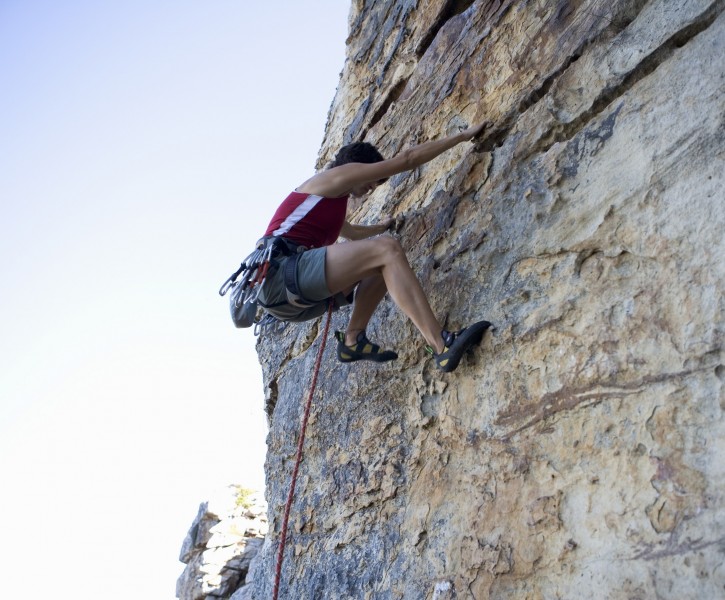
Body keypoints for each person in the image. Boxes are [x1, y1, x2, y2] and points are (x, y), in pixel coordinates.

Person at [255, 124, 491, 373]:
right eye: (372, 180)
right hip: (280, 274)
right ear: (356, 167)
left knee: (380, 267)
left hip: (289, 301)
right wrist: (461, 136)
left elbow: (353, 233)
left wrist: (381, 227)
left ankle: (353, 340)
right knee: (387, 249)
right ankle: (441, 345)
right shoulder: (334, 177)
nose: (373, 187)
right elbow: (407, 159)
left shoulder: (330, 203)